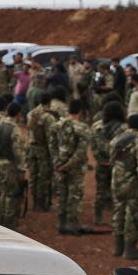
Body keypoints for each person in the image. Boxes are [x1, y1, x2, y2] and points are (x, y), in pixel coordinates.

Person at [111, 115, 138, 259]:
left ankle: (118, 247)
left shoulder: (116, 140)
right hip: (134, 185)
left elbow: (111, 160)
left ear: (128, 124)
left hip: (117, 181)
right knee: (133, 215)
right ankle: (129, 250)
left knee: (119, 212)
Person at [53, 99, 91, 235]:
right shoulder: (82, 128)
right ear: (80, 111)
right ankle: (71, 224)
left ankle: (61, 223)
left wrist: (57, 162)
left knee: (62, 195)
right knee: (74, 196)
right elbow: (81, 152)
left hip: (60, 164)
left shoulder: (57, 125)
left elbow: (52, 145)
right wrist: (68, 165)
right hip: (75, 168)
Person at [0, 103, 28, 229]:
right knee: (12, 195)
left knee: (2, 193)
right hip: (11, 165)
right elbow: (18, 152)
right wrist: (22, 169)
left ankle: (1, 221)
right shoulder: (15, 129)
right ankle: (10, 225)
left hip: (0, 163)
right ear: (17, 114)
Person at [91, 101, 126, 226]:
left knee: (100, 190)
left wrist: (100, 160)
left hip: (102, 163)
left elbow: (93, 146)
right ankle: (115, 219)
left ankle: (97, 216)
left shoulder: (96, 126)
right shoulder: (123, 128)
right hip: (117, 164)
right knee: (117, 191)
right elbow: (123, 148)